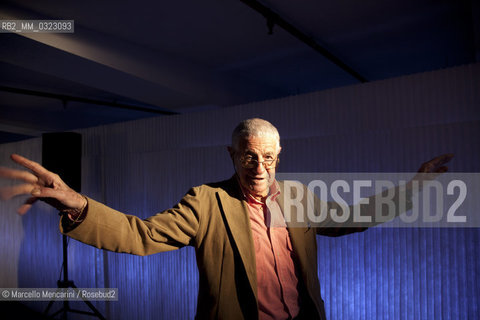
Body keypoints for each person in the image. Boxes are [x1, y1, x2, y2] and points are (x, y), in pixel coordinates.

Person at [0, 118, 453, 320]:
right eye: (249, 157)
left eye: (269, 158)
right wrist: (77, 204)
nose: (259, 168)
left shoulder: (298, 198)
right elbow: (141, 235)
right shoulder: (206, 201)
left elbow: (358, 215)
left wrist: (416, 185)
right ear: (233, 155)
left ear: (280, 158)